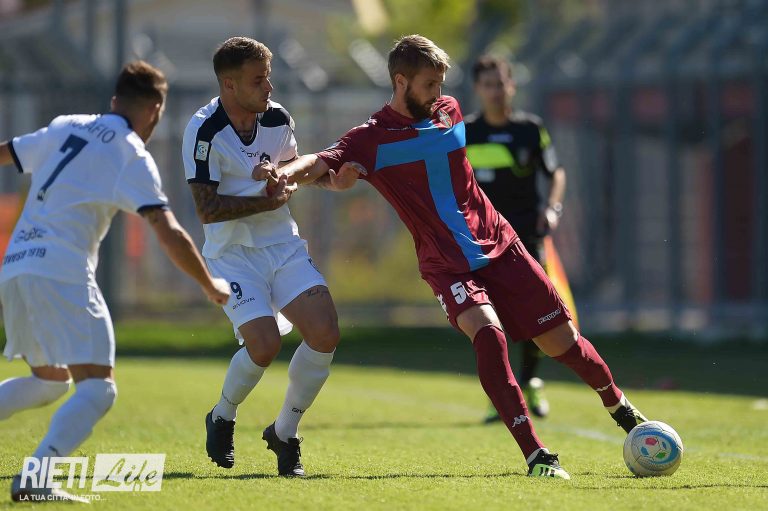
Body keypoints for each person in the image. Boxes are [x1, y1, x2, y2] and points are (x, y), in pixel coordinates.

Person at [272, 35, 648, 480]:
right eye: (428, 84)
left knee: (561, 343)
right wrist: (284, 175)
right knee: (489, 335)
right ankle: (536, 455)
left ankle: (622, 409)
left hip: (502, 246)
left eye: (440, 83)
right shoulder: (370, 138)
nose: (438, 93)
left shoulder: (449, 110)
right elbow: (320, 162)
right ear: (400, 81)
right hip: (446, 264)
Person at [0, 61, 230, 502]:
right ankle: (36, 477)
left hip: (16, 264)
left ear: (114, 101)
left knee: (50, 381)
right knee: (98, 389)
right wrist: (208, 283)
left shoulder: (65, 125)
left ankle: (38, 475)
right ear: (156, 109)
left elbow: (5, 152)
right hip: (61, 270)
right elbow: (168, 231)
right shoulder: (130, 154)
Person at [183, 37, 341, 478]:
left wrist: (328, 179)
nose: (269, 87)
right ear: (229, 85)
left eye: (268, 77)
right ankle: (222, 415)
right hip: (232, 254)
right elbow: (206, 209)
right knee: (264, 345)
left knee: (325, 332)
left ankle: (285, 433)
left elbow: (290, 173)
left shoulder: (277, 118)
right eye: (258, 80)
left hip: (282, 245)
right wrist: (265, 199)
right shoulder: (204, 130)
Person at [465, 55, 569, 423]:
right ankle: (501, 393)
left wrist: (553, 209)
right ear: (478, 89)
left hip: (526, 233)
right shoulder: (464, 133)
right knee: (490, 315)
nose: (495, 91)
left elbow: (556, 172)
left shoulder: (530, 129)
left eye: (501, 84)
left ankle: (531, 381)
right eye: (488, 85)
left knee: (536, 309)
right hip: (481, 239)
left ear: (511, 86)